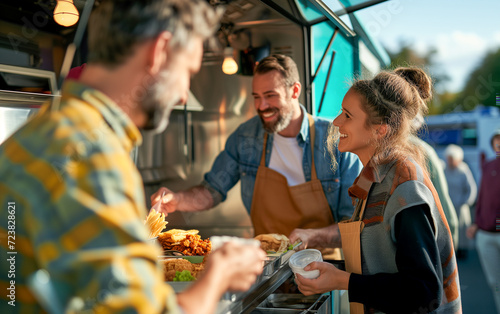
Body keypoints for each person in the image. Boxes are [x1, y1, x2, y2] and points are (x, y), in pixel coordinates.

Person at [0, 1, 266, 313]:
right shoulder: (92, 155)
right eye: (188, 71)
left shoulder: (39, 134)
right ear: (159, 51)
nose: (183, 94)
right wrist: (218, 274)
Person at [293, 67, 461, 313]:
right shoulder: (374, 175)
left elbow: (423, 293)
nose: (337, 122)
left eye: (347, 115)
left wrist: (341, 280)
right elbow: (373, 246)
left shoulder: (405, 187)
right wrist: (316, 239)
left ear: (380, 129)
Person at [152, 54, 362, 245]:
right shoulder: (246, 136)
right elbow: (212, 190)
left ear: (295, 90)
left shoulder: (335, 141)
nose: (261, 106)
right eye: (256, 96)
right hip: (266, 265)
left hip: (320, 266)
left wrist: (312, 237)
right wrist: (177, 200)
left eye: (270, 95)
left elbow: (354, 225)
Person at [467, 129, 500, 313]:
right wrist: (476, 223)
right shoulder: (488, 166)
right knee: (496, 283)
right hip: (485, 235)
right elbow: (482, 198)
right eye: (496, 142)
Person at [444, 144, 477, 258]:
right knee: (450, 227)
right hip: (449, 205)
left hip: (461, 205)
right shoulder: (444, 170)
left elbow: (471, 188)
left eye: (452, 159)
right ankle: (452, 249)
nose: (450, 161)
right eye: (449, 159)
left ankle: (463, 250)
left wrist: (466, 202)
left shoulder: (464, 170)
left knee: (462, 229)